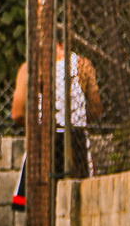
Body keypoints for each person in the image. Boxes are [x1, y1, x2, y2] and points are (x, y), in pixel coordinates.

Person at [11, 41, 101, 208]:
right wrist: (75, 117)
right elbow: (96, 108)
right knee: (78, 201)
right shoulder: (83, 65)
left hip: (43, 140)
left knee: (39, 202)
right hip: (76, 140)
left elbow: (17, 113)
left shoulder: (31, 67)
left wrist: (37, 126)